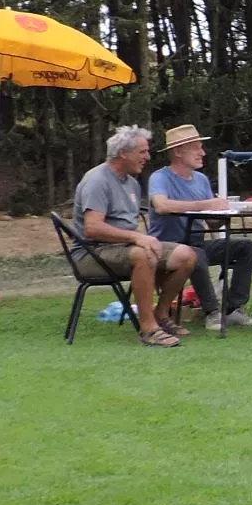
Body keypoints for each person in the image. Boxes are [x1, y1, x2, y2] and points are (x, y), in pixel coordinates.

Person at [72, 125, 197, 347]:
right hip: (92, 253)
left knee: (186, 254)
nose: (147, 157)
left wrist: (141, 239)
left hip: (122, 248)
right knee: (143, 254)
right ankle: (148, 329)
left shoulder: (131, 181)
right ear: (123, 153)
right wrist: (137, 238)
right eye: (142, 152)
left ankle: (161, 313)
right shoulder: (97, 180)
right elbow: (92, 228)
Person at [147, 124, 252, 330]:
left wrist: (233, 209)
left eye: (202, 147)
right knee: (196, 253)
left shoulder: (201, 180)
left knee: (246, 246)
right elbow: (161, 206)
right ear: (178, 152)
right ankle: (212, 312)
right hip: (168, 246)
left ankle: (232, 308)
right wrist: (206, 204)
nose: (203, 153)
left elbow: (212, 221)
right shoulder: (160, 177)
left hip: (197, 240)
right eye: (197, 148)